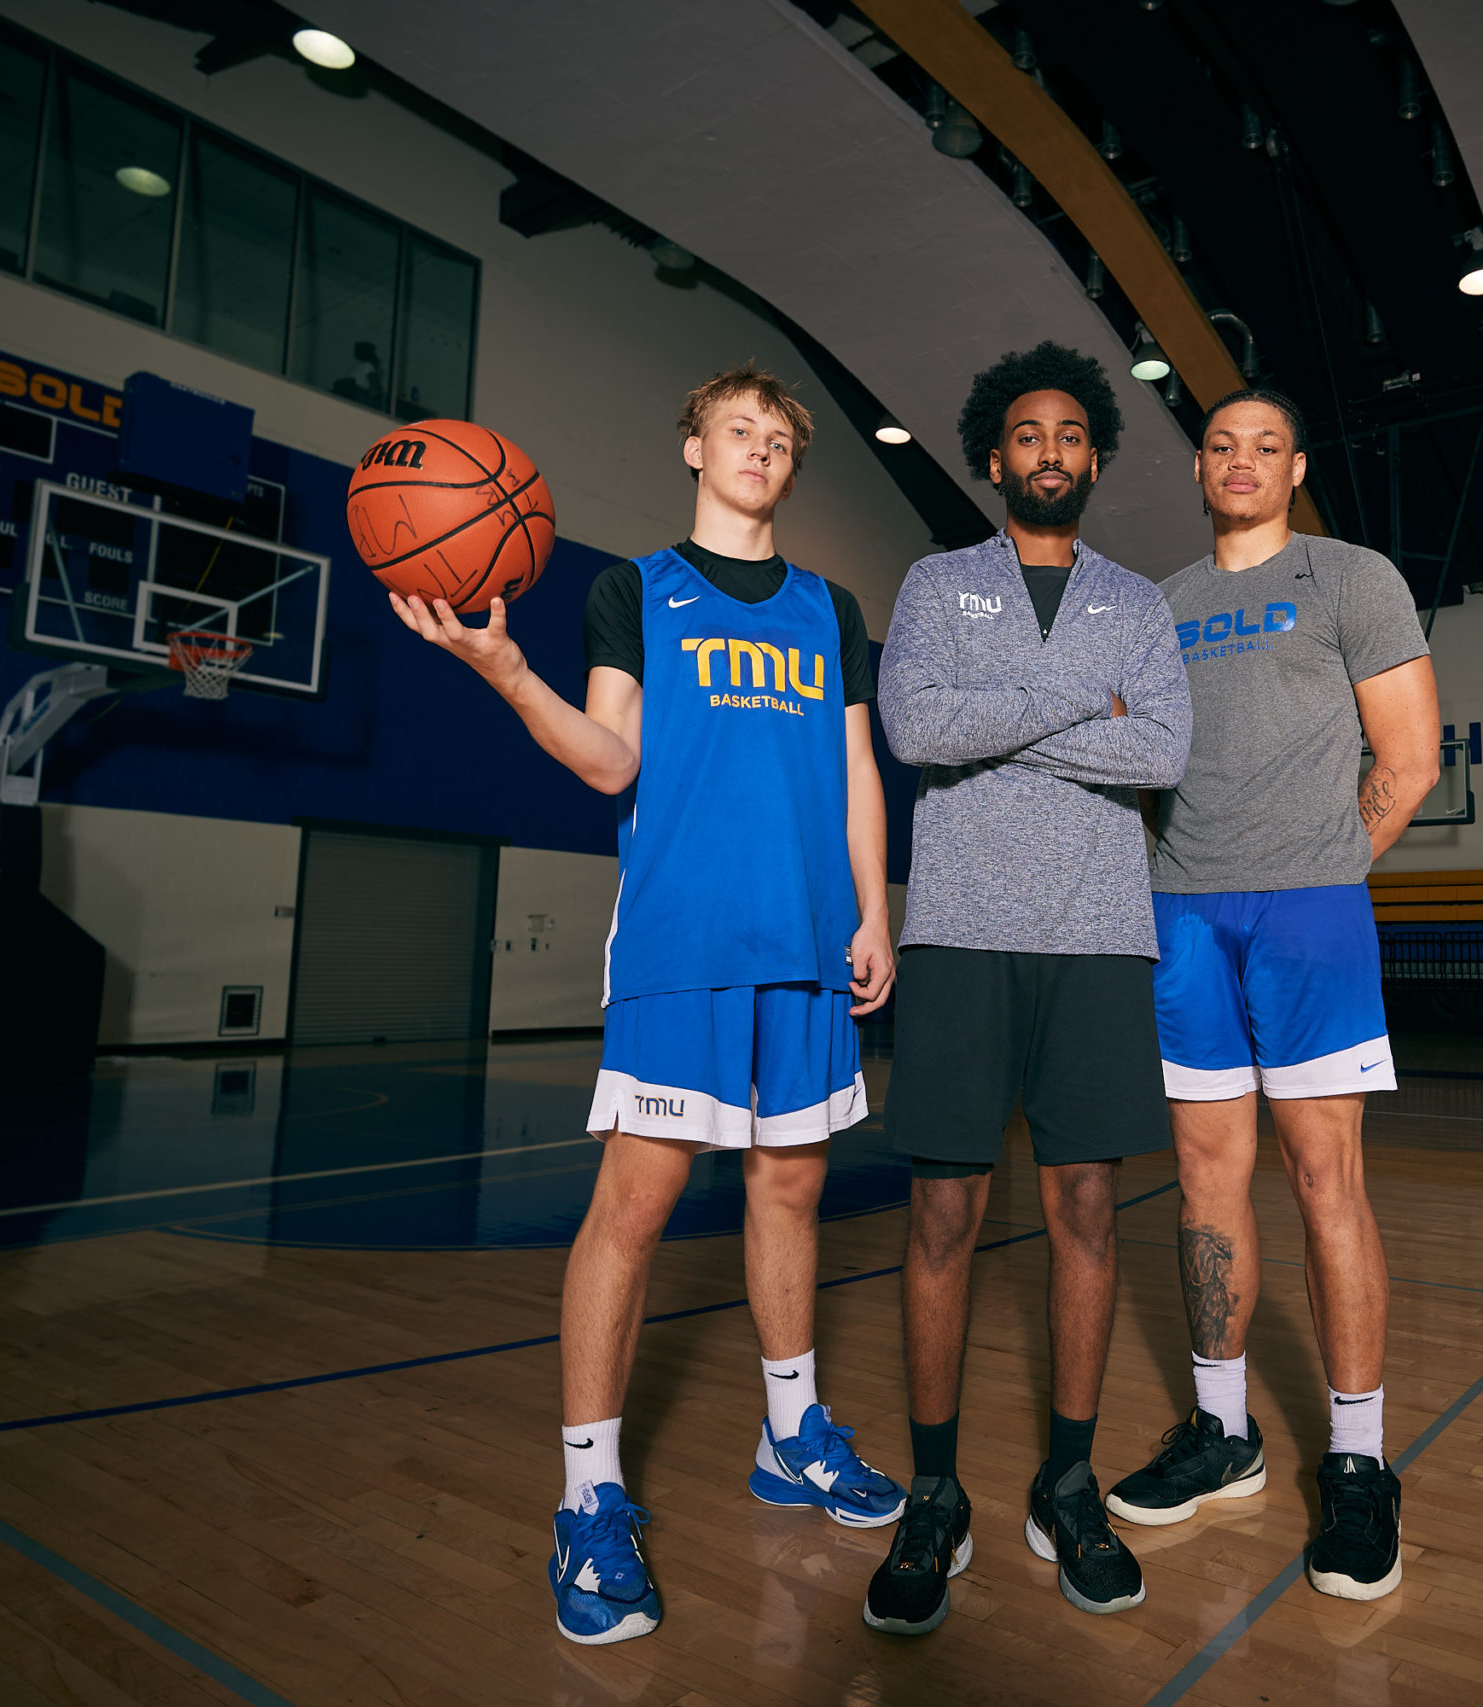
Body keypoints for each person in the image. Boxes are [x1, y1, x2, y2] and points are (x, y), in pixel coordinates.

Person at [391, 364, 904, 1647]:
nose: (760, 451)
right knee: (636, 1202)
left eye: (780, 439)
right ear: (693, 447)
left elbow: (853, 765)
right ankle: (588, 1493)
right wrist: (507, 672)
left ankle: (791, 1435)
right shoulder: (634, 590)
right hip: (681, 943)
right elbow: (612, 757)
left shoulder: (830, 606)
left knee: (793, 1187)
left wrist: (874, 905)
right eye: (739, 430)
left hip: (805, 944)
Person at [863, 341, 1190, 1636]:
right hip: (956, 934)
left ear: (1093, 456)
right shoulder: (939, 583)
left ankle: (1067, 1477)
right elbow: (914, 729)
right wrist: (1072, 702)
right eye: (1026, 435)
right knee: (942, 1217)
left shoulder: (1142, 604)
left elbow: (1160, 743)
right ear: (994, 459)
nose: (1049, 451)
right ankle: (934, 1490)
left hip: (1101, 935)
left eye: (1071, 434)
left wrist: (1002, 709)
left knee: (1089, 1216)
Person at [1108, 389, 1440, 1604]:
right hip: (1181, 917)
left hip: (1309, 913)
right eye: (1219, 446)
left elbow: (1407, 762)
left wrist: (1317, 874)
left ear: (1293, 468)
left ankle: (1357, 1461)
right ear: (1199, 471)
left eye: (1264, 446)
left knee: (1323, 1181)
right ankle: (1222, 1430)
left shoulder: (1350, 579)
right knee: (1202, 1182)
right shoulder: (1159, 608)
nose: (1240, 463)